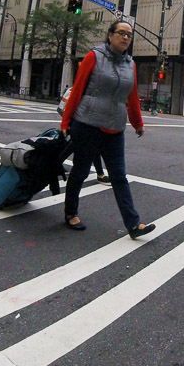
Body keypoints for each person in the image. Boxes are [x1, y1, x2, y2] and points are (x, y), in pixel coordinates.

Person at [59, 19, 155, 239]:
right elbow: (78, 89)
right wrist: (66, 122)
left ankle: (133, 224)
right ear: (110, 35)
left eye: (129, 35)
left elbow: (130, 96)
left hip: (114, 128)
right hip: (87, 125)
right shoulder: (94, 57)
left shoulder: (130, 65)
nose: (125, 38)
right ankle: (70, 213)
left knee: (119, 176)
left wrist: (137, 122)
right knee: (80, 172)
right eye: (121, 33)